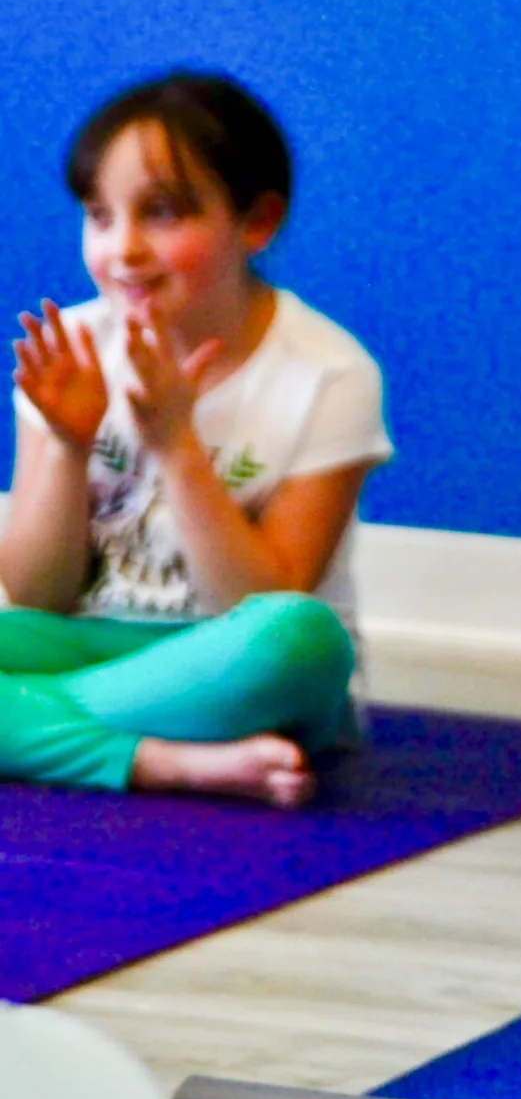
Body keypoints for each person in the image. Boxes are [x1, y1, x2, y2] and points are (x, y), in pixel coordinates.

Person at [0, 71, 393, 806]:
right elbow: (36, 593)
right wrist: (66, 442)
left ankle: (31, 729)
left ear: (256, 222)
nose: (124, 249)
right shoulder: (72, 351)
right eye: (100, 215)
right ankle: (163, 760)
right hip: (90, 639)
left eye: (162, 214)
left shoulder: (331, 372)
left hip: (239, 659)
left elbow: (259, 600)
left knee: (300, 638)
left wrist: (176, 444)